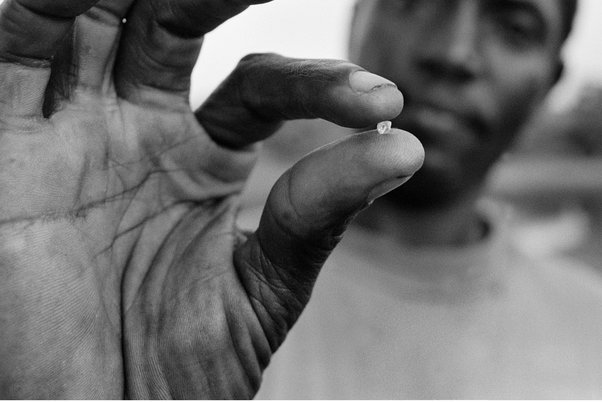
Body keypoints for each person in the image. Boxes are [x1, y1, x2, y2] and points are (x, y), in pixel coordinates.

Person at [0, 0, 426, 398]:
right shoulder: (211, 258)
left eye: (497, 15)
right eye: (414, 2)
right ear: (358, 15)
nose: (453, 53)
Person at [256, 0, 602, 399]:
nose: (453, 53)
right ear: (357, 18)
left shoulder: (592, 328)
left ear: (548, 85)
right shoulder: (208, 283)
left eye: (514, 27)